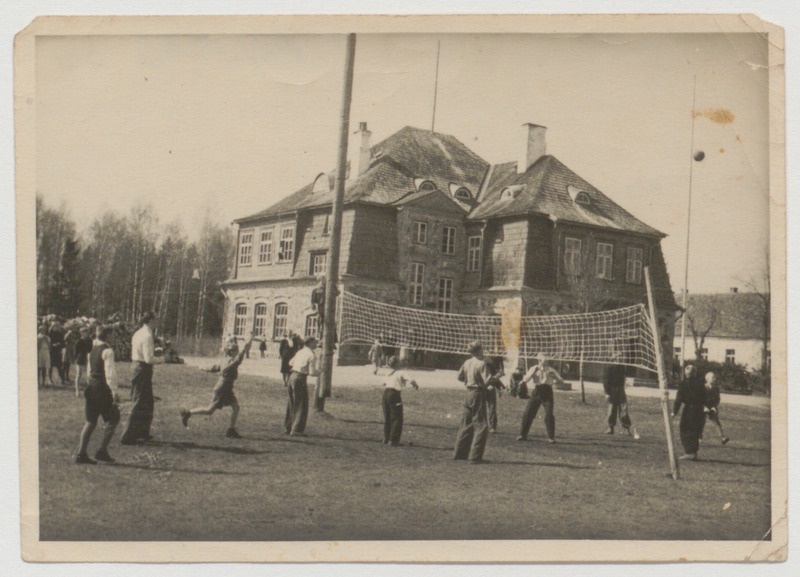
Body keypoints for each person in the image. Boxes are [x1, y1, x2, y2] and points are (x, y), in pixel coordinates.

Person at [181, 335, 254, 438]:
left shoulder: (226, 360)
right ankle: (188, 413)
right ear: (231, 352)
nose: (236, 353)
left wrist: (203, 368)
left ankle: (231, 430)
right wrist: (244, 348)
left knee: (236, 407)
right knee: (209, 410)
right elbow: (237, 360)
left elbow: (215, 368)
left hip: (227, 388)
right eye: (235, 351)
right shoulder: (230, 362)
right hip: (222, 389)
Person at [75, 325, 121, 464]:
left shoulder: (93, 349)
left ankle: (81, 454)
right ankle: (101, 450)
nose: (114, 338)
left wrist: (91, 384)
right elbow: (110, 373)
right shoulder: (107, 351)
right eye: (113, 335)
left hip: (92, 387)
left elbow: (89, 371)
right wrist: (114, 392)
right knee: (114, 418)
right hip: (102, 388)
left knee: (90, 421)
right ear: (107, 336)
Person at [121, 311, 158, 445]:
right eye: (155, 319)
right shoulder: (147, 335)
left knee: (148, 402)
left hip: (138, 367)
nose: (157, 321)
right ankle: (127, 435)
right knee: (139, 401)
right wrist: (164, 359)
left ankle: (142, 432)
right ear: (150, 320)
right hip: (142, 368)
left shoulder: (138, 333)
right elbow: (149, 359)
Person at [453, 341, 492, 463]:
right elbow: (487, 381)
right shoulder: (482, 363)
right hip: (477, 393)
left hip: (468, 393)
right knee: (481, 426)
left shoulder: (467, 362)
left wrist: (469, 379)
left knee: (466, 424)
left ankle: (459, 454)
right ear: (479, 350)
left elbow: (459, 377)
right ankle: (475, 457)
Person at [517, 354, 565, 443]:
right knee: (528, 412)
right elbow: (525, 379)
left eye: (545, 359)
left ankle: (551, 437)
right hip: (537, 391)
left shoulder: (551, 370)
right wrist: (527, 379)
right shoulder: (534, 368)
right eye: (542, 359)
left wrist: (554, 377)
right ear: (539, 360)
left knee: (549, 413)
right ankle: (522, 434)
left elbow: (561, 380)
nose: (545, 360)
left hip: (547, 392)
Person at [284, 336, 319, 436]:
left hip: (292, 376)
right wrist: (321, 372)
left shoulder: (300, 351)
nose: (316, 344)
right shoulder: (312, 355)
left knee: (291, 402)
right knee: (301, 404)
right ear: (310, 343)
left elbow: (291, 362)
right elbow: (312, 372)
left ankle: (288, 427)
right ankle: (297, 429)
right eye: (315, 342)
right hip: (300, 378)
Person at [671, 363, 707, 460]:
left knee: (685, 429)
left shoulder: (684, 384)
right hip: (699, 410)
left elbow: (679, 399)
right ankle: (693, 452)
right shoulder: (701, 384)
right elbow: (705, 397)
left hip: (690, 410)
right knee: (695, 431)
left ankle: (689, 452)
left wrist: (674, 412)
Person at [381, 355, 419, 446]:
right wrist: (415, 385)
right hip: (394, 394)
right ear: (398, 363)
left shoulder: (389, 373)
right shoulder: (401, 372)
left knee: (388, 417)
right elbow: (411, 379)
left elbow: (383, 383)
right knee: (397, 417)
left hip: (385, 393)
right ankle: (393, 441)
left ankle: (386, 438)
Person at [603, 356, 633, 436]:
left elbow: (624, 378)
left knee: (623, 408)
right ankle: (610, 427)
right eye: (619, 357)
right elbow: (605, 380)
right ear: (615, 358)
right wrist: (607, 392)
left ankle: (626, 428)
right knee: (612, 409)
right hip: (612, 390)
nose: (621, 359)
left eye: (621, 357)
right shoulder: (609, 367)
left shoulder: (622, 367)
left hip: (620, 389)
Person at [702, 371, 730, 445]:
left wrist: (714, 406)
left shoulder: (716, 388)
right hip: (702, 408)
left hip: (712, 408)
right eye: (712, 377)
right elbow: (699, 399)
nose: (714, 379)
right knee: (701, 422)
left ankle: (722, 437)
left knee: (716, 422)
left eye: (715, 377)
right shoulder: (703, 387)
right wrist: (704, 407)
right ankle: (698, 437)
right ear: (707, 379)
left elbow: (717, 399)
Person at [485, 355, 506, 433]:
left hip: (489, 387)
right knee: (485, 407)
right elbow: (491, 377)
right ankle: (487, 426)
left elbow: (495, 378)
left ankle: (492, 426)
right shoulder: (485, 364)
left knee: (492, 407)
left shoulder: (491, 365)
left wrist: (498, 387)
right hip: (483, 388)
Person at [48, 320, 65, 385]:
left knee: (59, 366)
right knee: (50, 366)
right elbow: (48, 343)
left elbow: (63, 343)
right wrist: (53, 345)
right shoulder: (50, 334)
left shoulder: (60, 334)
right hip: (51, 351)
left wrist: (59, 344)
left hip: (58, 352)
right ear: (52, 327)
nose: (57, 327)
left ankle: (62, 379)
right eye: (56, 326)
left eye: (58, 326)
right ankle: (50, 379)